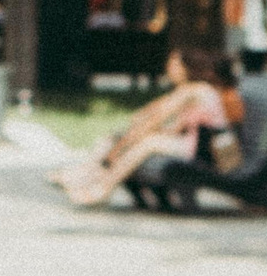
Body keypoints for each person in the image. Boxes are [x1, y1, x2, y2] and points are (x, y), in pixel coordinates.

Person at [54, 44, 243, 207]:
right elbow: (169, 122)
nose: (169, 68)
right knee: (135, 139)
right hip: (197, 144)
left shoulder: (195, 90)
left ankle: (103, 189)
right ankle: (90, 177)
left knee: (147, 143)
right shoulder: (193, 91)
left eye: (174, 64)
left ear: (188, 67)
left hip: (207, 151)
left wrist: (137, 135)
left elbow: (158, 117)